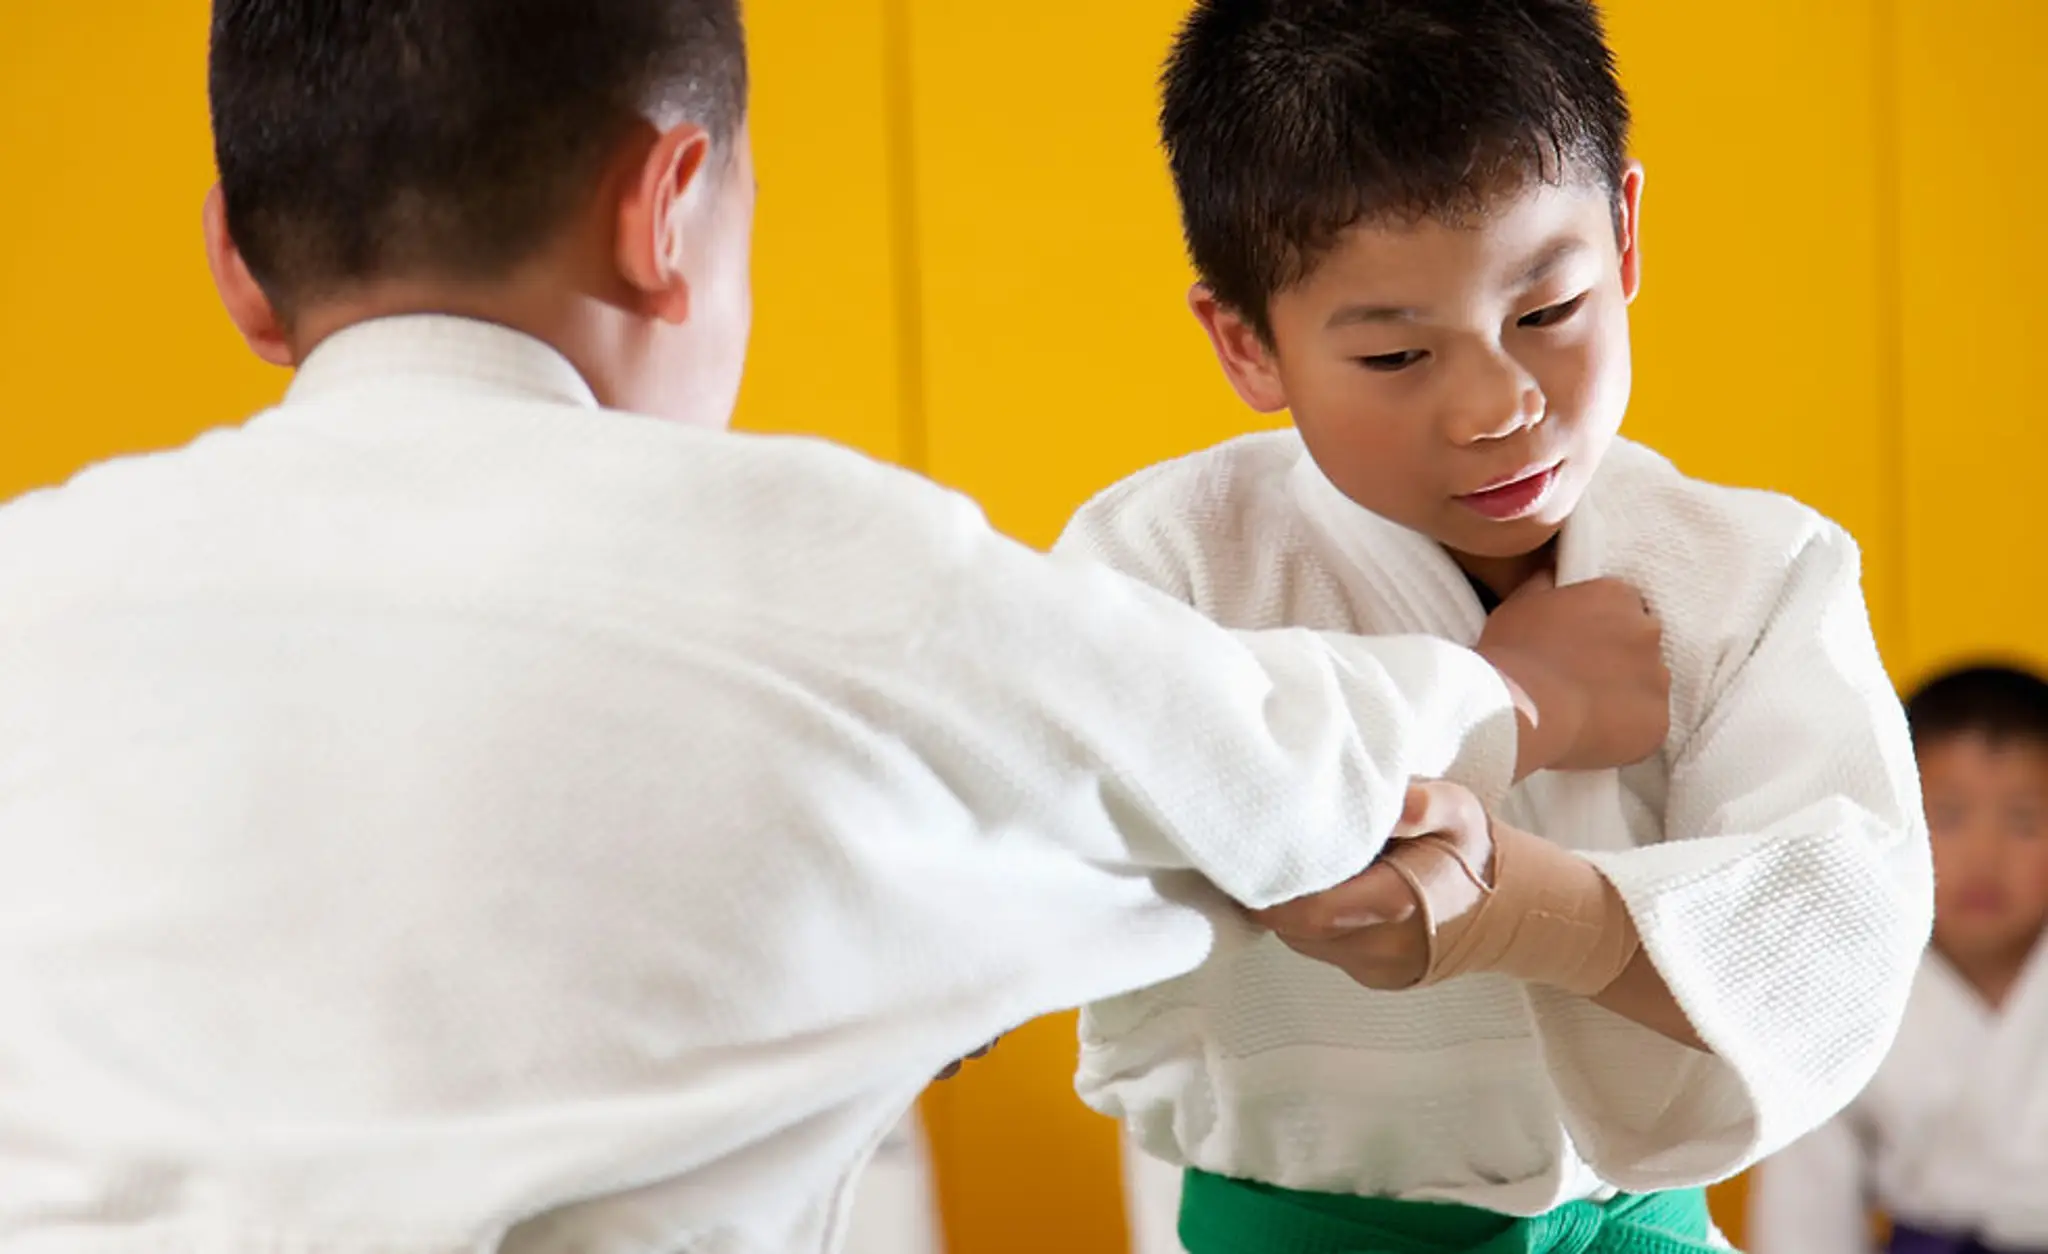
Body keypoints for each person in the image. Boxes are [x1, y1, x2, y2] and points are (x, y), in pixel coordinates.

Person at [0, 2, 1669, 1252]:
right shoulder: (804, 555)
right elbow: (1256, 765)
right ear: (667, 208)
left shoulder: (31, 581)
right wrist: (1502, 685)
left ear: (235, 261)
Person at [1054, 2, 1932, 1251]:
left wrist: (1521, 908)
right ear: (1248, 344)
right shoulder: (1167, 559)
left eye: (1544, 312)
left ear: (1623, 232)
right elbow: (1105, 812)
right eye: (1398, 358)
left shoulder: (1750, 571)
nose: (1495, 406)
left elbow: (1838, 922)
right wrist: (1499, 709)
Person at [1749, 664, 2048, 1254]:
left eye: (2025, 820)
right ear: (1893, 817)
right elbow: (1806, 1214)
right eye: (1951, 816)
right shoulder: (1845, 988)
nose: (1984, 858)